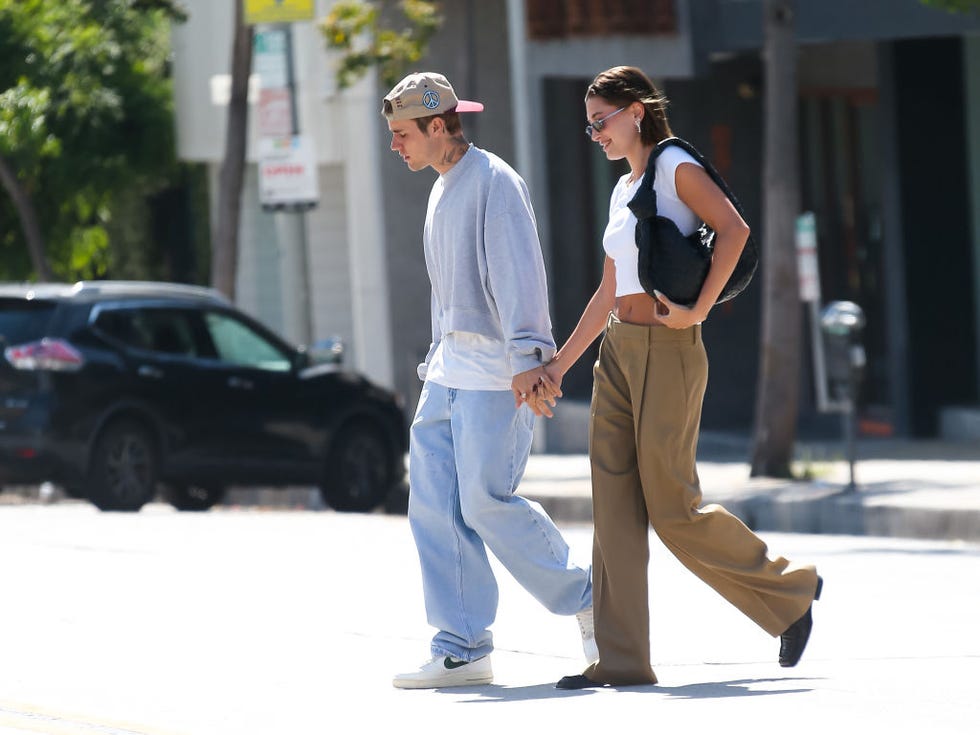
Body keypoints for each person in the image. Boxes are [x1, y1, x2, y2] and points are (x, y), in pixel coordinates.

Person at [537, 66, 822, 689]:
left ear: (635, 111)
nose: (595, 134)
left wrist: (697, 309)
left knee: (673, 508)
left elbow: (735, 228)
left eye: (601, 121)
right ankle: (622, 659)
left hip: (669, 348)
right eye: (588, 126)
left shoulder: (671, 165)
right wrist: (560, 363)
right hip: (618, 351)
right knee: (612, 507)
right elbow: (610, 288)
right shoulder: (623, 190)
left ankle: (789, 593)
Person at [381, 71, 594, 690]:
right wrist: (432, 362)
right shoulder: (441, 187)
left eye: (402, 134)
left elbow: (519, 272)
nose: (396, 145)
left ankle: (588, 598)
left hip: (495, 377)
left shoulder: (495, 182)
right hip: (446, 373)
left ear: (439, 125)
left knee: (484, 501)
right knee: (433, 506)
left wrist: (532, 359)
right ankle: (462, 646)